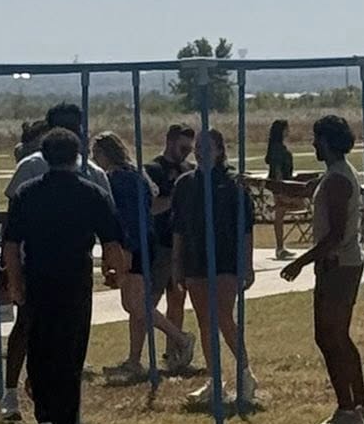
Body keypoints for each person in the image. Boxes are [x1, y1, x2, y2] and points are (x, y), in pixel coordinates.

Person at [2, 129, 128, 424]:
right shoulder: (91, 193)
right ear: (77, 157)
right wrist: (115, 272)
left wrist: (15, 283)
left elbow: (11, 245)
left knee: (40, 353)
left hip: (37, 283)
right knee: (70, 356)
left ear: (44, 156)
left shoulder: (27, 194)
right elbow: (113, 244)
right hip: (74, 284)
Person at [280, 113, 364, 424]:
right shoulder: (334, 174)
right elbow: (304, 189)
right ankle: (356, 404)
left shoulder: (338, 180)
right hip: (336, 266)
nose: (313, 144)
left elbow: (334, 236)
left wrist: (299, 262)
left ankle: (349, 409)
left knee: (332, 337)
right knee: (335, 337)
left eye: (317, 138)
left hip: (339, 267)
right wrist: (256, 183)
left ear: (328, 141)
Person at [92, 131, 194, 381]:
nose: (95, 159)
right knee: (134, 304)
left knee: (137, 304)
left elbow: (124, 215)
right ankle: (134, 359)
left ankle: (180, 338)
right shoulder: (137, 174)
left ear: (105, 153)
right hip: (144, 242)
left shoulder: (118, 179)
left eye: (96, 154)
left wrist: (122, 248)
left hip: (133, 244)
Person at [171, 128, 258, 409]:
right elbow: (178, 229)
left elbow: (246, 229)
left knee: (222, 316)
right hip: (195, 260)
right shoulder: (185, 184)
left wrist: (247, 264)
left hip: (225, 260)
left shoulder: (232, 185)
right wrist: (177, 264)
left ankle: (245, 372)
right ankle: (214, 379)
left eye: (207, 148)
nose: (200, 152)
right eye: (198, 147)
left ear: (220, 151)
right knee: (205, 321)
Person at [144, 123, 199, 358]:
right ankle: (136, 355)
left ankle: (174, 354)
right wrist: (177, 196)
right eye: (183, 146)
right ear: (170, 141)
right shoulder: (153, 169)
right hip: (160, 243)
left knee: (177, 301)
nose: (186, 152)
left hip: (183, 244)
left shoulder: (190, 170)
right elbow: (153, 207)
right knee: (148, 303)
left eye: (190, 147)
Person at [265, 119, 295, 258]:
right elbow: (277, 169)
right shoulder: (277, 149)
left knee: (281, 214)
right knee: (290, 208)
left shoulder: (278, 146)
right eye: (287, 128)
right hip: (281, 185)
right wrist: (280, 186)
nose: (289, 131)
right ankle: (279, 247)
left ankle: (280, 246)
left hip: (286, 183)